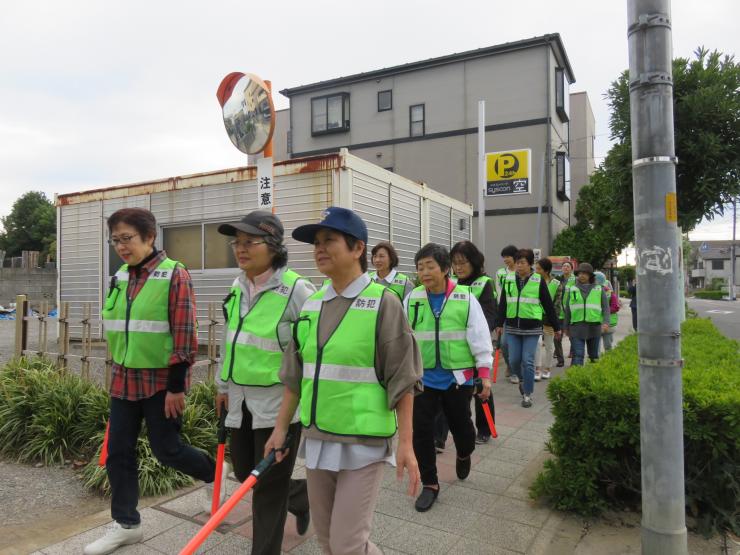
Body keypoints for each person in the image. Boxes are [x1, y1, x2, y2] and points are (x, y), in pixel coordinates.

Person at [264, 207, 421, 555]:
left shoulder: (385, 303)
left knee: (348, 544)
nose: (319, 248)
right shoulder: (312, 304)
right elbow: (295, 376)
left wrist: (407, 444)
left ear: (357, 248)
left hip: (363, 442)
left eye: (329, 240)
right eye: (316, 243)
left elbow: (404, 379)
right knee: (327, 541)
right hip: (318, 438)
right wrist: (279, 430)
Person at [86, 208, 216, 555]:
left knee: (167, 450)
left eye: (127, 238)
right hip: (123, 381)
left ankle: (214, 474)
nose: (121, 246)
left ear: (150, 237)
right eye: (115, 240)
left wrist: (177, 387)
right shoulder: (121, 277)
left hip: (160, 383)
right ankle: (127, 524)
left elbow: (185, 335)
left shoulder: (174, 274)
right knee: (118, 454)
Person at [214, 211, 314, 554]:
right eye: (236, 243)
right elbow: (232, 339)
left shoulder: (298, 291)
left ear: (273, 246)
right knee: (245, 474)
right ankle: (301, 496)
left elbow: (309, 354)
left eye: (249, 242)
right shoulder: (238, 285)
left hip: (279, 407)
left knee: (267, 490)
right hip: (241, 401)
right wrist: (223, 386)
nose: (240, 250)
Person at [407, 243, 493, 511]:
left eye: (430, 266)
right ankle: (430, 484)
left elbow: (480, 337)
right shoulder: (412, 298)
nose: (424, 272)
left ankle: (465, 451)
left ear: (445, 269)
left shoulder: (465, 298)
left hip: (458, 379)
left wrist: (485, 374)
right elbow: (402, 337)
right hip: (423, 378)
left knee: (463, 428)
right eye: (420, 267)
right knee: (421, 432)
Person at [495, 249, 561, 408]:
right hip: (512, 326)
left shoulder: (538, 280)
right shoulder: (509, 279)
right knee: (514, 360)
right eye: (517, 262)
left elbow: (548, 305)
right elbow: (504, 302)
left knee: (528, 360)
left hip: (532, 327)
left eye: (522, 262)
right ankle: (523, 380)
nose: (519, 266)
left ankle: (527, 394)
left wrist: (556, 327)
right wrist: (499, 323)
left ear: (530, 264)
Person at [450, 240, 497, 445]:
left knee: (482, 389)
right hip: (454, 348)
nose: (458, 267)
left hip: (477, 346)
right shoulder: (449, 283)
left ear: (474, 262)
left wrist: (472, 334)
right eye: (455, 263)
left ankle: (486, 428)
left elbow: (490, 316)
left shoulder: (485, 283)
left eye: (463, 262)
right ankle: (445, 434)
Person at [563, 263, 610, 366]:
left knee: (594, 356)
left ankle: (592, 378)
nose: (581, 276)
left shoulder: (599, 289)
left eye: (584, 273)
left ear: (590, 276)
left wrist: (606, 323)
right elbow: (568, 310)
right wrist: (565, 327)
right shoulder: (573, 289)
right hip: (576, 327)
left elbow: (606, 308)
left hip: (594, 327)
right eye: (580, 273)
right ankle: (576, 379)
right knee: (578, 355)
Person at [534, 257, 563, 380]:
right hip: (535, 317)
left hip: (549, 320)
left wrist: (553, 321)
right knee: (537, 344)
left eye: (539, 269)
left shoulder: (557, 284)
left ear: (546, 270)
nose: (536, 271)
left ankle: (547, 368)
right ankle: (537, 369)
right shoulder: (533, 281)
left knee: (549, 346)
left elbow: (557, 305)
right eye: (536, 268)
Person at [496, 245, 518, 382]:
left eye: (508, 256)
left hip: (521, 313)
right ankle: (510, 366)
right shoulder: (501, 273)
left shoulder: (521, 272)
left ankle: (516, 370)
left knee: (517, 344)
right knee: (504, 344)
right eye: (503, 257)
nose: (505, 259)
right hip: (505, 313)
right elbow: (499, 293)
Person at [553, 260, 576, 366]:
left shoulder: (576, 280)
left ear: (571, 268)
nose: (566, 267)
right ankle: (560, 360)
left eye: (568, 266)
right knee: (557, 337)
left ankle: (574, 357)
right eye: (564, 266)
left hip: (570, 313)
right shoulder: (557, 279)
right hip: (558, 313)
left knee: (572, 337)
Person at [596, 273, 620, 352]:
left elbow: (615, 307)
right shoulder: (592, 292)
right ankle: (597, 361)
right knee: (596, 347)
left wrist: (604, 310)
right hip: (596, 323)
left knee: (607, 345)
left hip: (608, 324)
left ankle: (604, 361)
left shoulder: (610, 293)